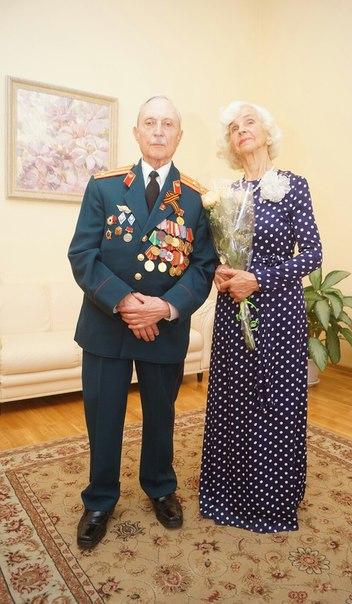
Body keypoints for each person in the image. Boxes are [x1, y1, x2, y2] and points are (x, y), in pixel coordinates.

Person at [68, 96, 216, 549]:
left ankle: (160, 487)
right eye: (150, 122)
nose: (158, 131)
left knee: (161, 415)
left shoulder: (197, 199)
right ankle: (100, 499)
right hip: (106, 325)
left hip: (164, 328)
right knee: (103, 416)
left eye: (167, 124)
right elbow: (83, 254)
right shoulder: (105, 187)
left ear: (179, 136)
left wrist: (164, 308)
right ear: (136, 132)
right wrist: (125, 301)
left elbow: (202, 267)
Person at [199, 101, 322, 533]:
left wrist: (259, 279)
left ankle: (271, 500)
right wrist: (220, 272)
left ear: (267, 133)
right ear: (230, 144)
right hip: (234, 312)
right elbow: (220, 254)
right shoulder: (224, 195)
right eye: (233, 128)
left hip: (279, 314)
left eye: (249, 122)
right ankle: (227, 493)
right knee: (233, 401)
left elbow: (312, 254)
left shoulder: (293, 186)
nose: (241, 131)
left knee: (275, 402)